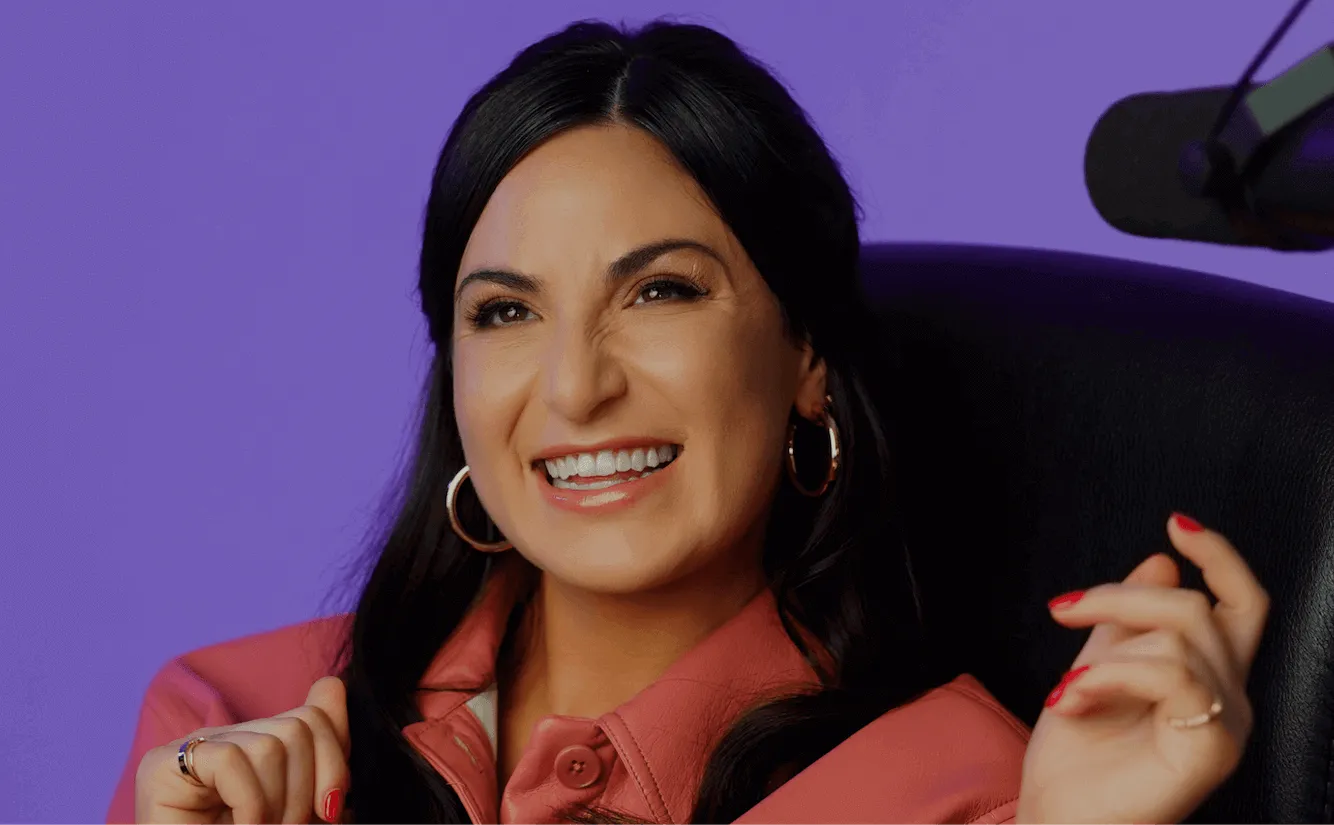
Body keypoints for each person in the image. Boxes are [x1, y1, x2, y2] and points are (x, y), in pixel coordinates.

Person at [109, 19, 1270, 825]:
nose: (573, 388)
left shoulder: (968, 796)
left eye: (659, 292)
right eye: (504, 312)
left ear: (807, 359)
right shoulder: (224, 730)